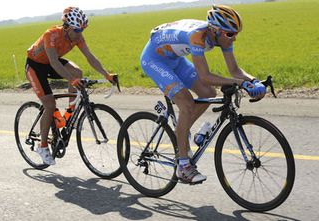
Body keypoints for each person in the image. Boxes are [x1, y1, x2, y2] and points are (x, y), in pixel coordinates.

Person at [140, 5, 266, 184]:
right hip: (155, 60)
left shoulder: (221, 38)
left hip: (175, 59)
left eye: (236, 33)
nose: (234, 38)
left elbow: (235, 70)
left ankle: (181, 133)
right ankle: (183, 167)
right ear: (215, 30)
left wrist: (254, 81)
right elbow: (206, 76)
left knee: (208, 93)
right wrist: (240, 83)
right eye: (230, 34)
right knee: (187, 104)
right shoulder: (197, 37)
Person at [25, 7, 115, 165]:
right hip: (35, 66)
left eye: (82, 29)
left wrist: (107, 74)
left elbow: (90, 57)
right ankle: (43, 145)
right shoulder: (51, 35)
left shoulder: (77, 37)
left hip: (51, 64)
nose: (80, 33)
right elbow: (54, 62)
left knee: (77, 72)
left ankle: (69, 114)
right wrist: (71, 79)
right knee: (50, 104)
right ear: (66, 26)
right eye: (77, 29)